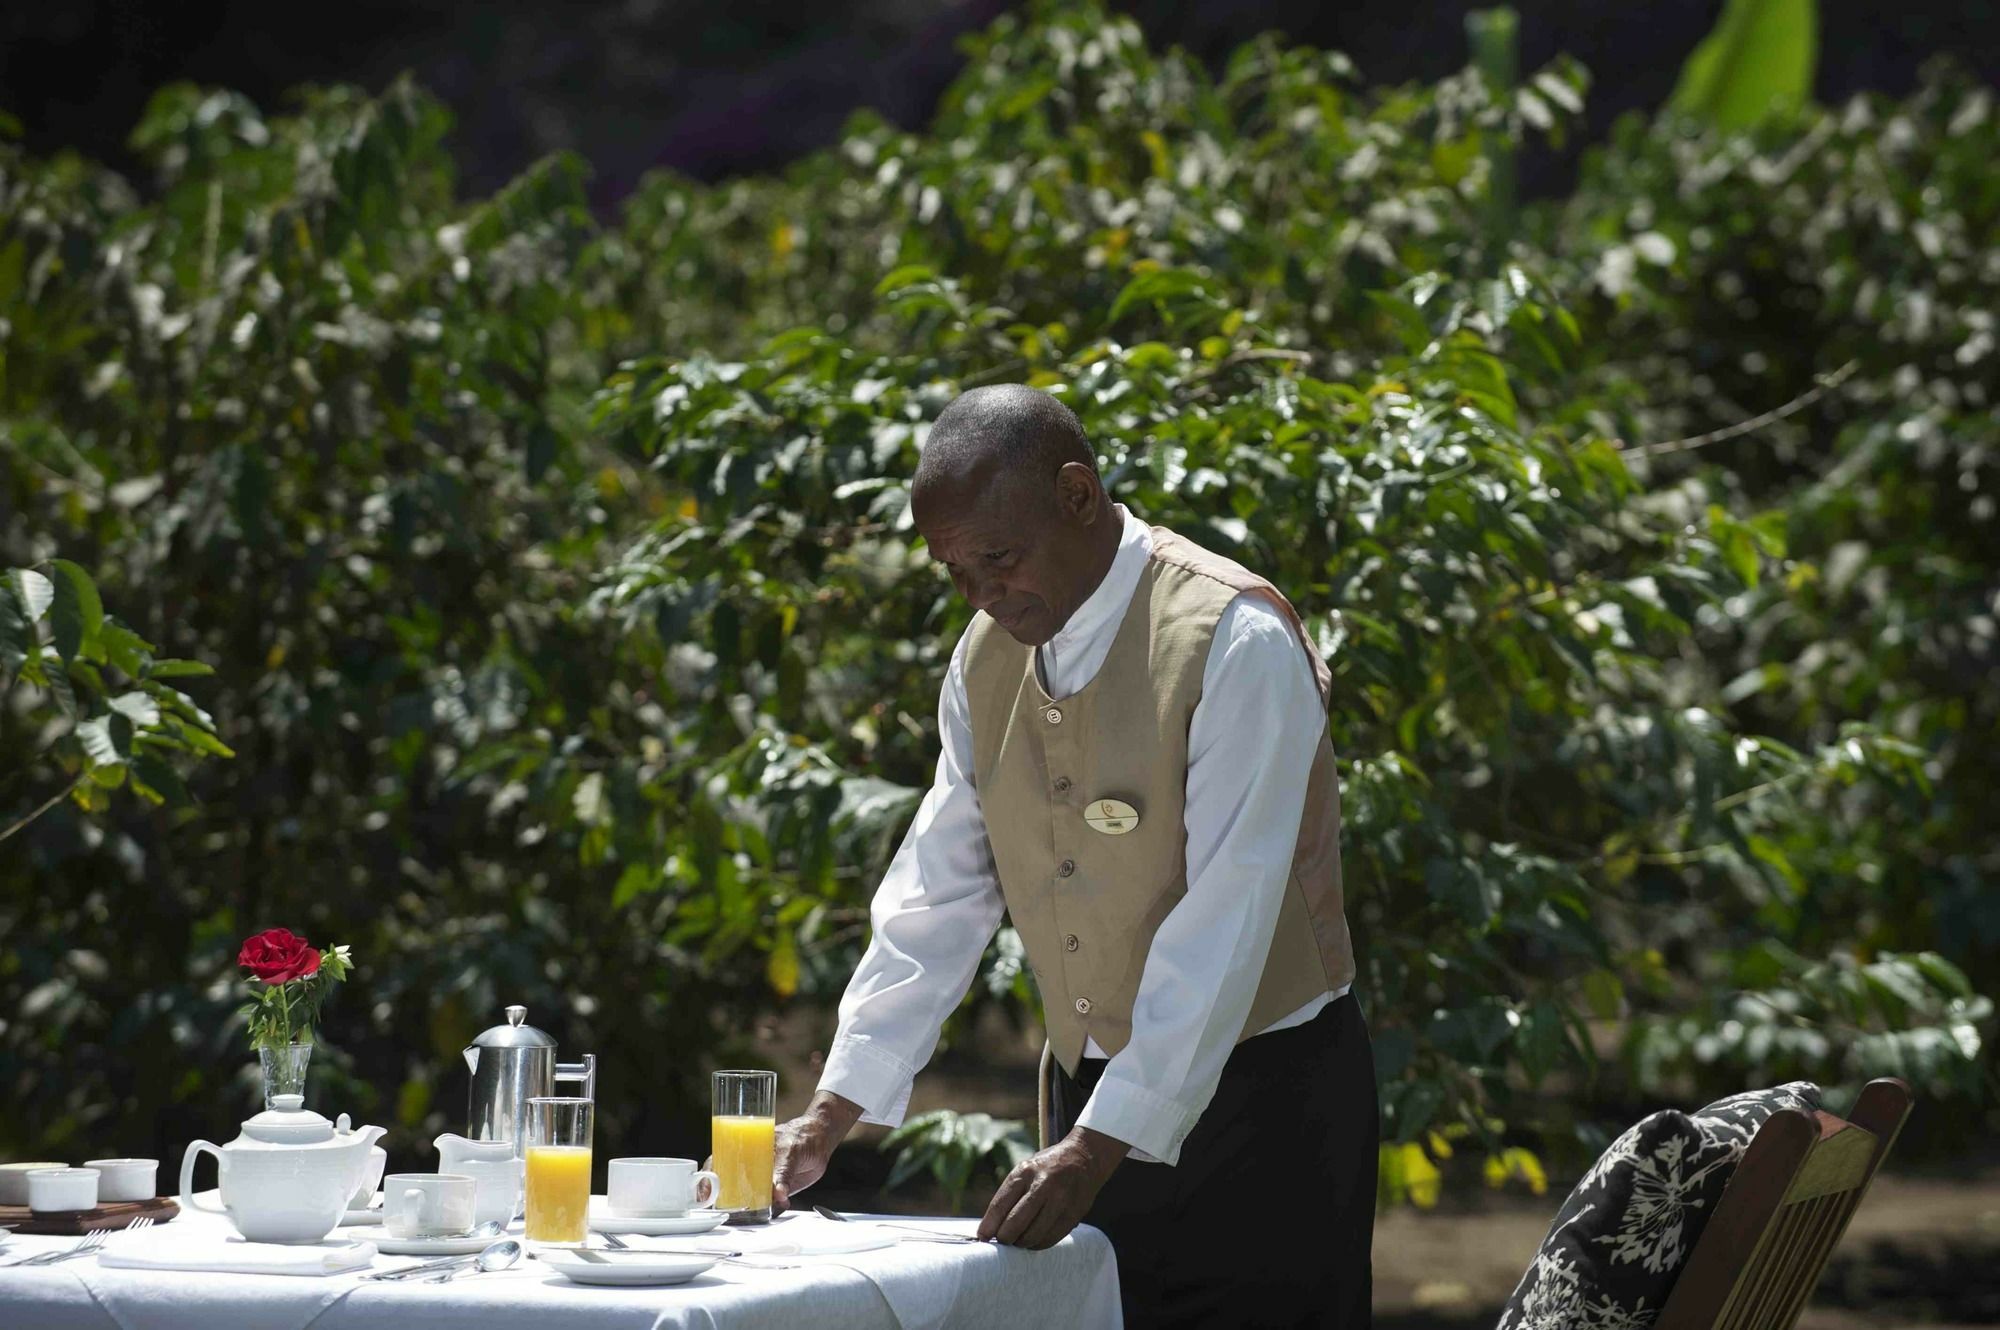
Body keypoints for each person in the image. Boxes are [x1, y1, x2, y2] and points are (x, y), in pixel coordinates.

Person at [773, 384, 1377, 1328]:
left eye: (998, 560)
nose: (980, 596)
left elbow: (1231, 914)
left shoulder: (1235, 636)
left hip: (1268, 1109)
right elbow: (938, 891)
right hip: (1089, 1105)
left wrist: (1098, 1150)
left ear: (1078, 495)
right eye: (956, 573)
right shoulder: (983, 662)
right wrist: (836, 1105)